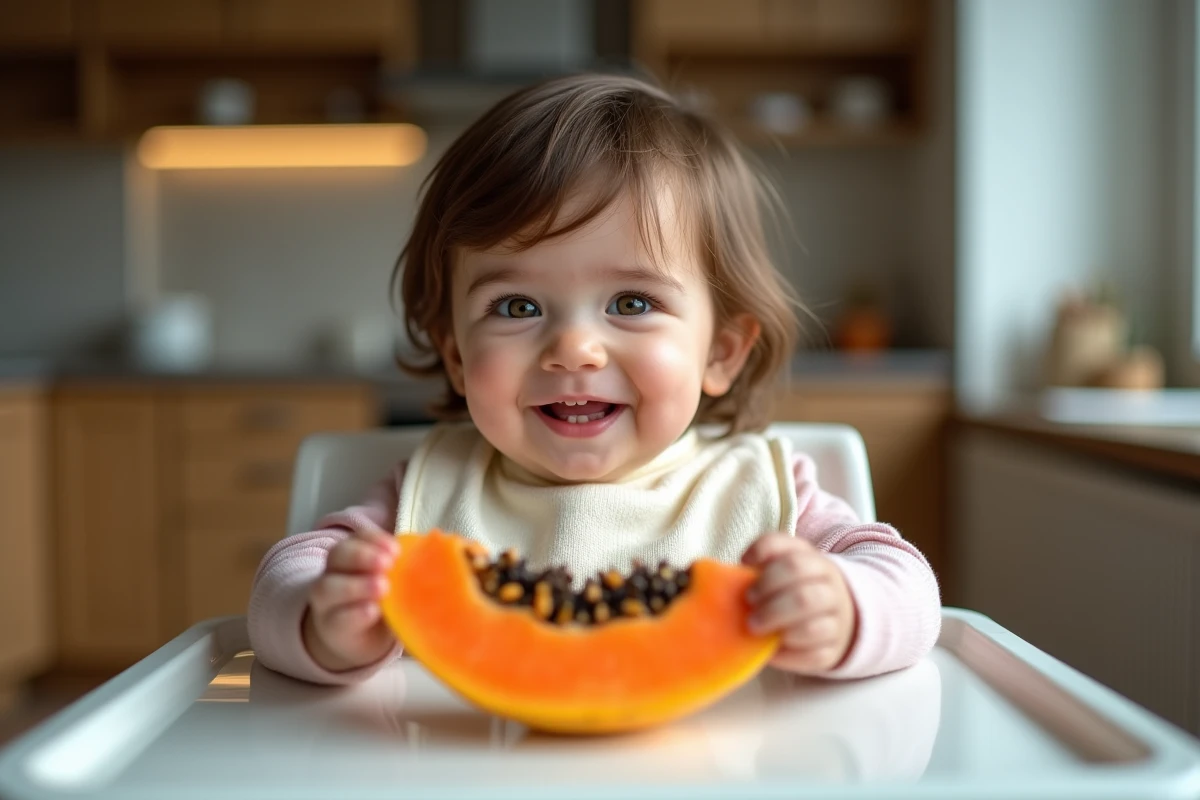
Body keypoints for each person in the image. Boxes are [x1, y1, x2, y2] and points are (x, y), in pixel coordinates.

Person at [248, 73, 941, 685]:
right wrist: (326, 620)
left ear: (721, 353)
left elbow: (909, 588)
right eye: (516, 306)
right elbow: (287, 577)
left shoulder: (761, 487)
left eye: (632, 304)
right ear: (456, 354)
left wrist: (846, 608)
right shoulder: (427, 489)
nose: (574, 349)